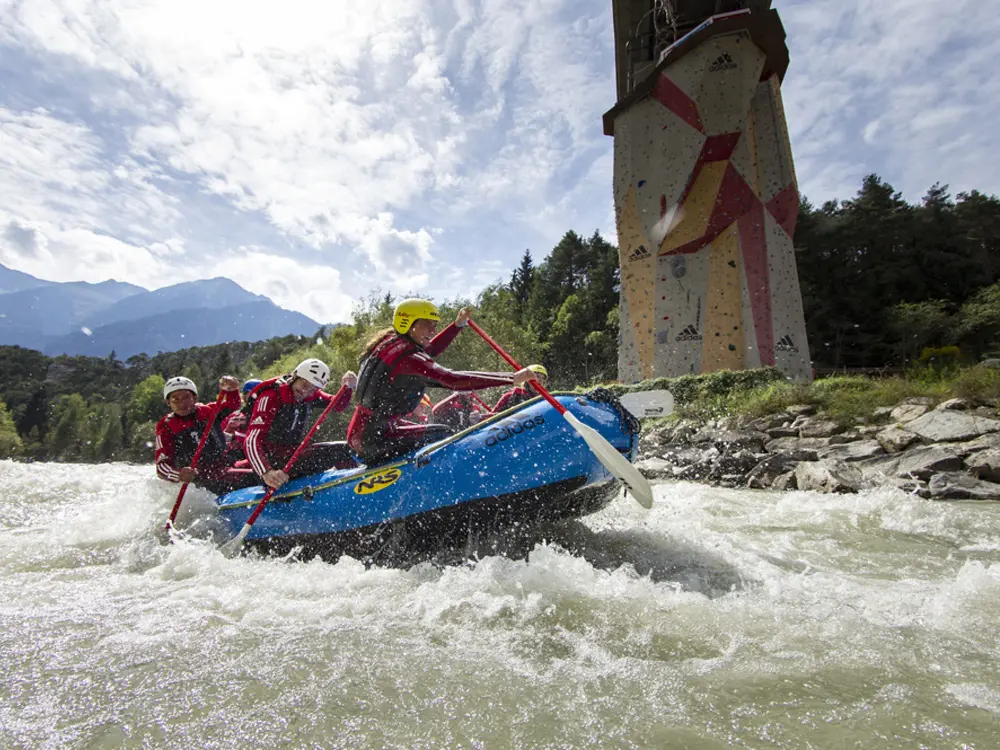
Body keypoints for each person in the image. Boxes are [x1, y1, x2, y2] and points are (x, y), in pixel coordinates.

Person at [346, 298, 540, 465]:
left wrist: (457, 326)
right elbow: (452, 380)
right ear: (409, 323)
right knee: (443, 434)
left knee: (439, 432)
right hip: (372, 440)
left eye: (435, 325)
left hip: (368, 433)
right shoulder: (408, 359)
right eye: (428, 324)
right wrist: (512, 378)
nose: (433, 329)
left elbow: (430, 350)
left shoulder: (394, 343)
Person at [244, 359, 358, 489]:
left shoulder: (311, 395)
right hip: (273, 462)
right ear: (295, 377)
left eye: (312, 389)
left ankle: (352, 485)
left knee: (345, 450)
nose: (306, 392)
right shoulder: (271, 396)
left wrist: (347, 388)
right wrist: (266, 472)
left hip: (294, 456)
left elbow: (338, 405)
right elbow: (252, 440)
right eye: (304, 385)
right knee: (339, 452)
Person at [155, 375, 258, 496]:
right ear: (168, 402)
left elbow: (232, 405)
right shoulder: (166, 426)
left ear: (195, 397)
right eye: (175, 399)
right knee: (256, 475)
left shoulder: (207, 411)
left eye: (186, 397)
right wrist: (179, 474)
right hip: (202, 478)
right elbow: (161, 467)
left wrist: (232, 389)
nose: (181, 403)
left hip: (225, 464)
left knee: (264, 464)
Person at [221, 378, 262, 446]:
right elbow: (221, 438)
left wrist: (235, 437)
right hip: (237, 454)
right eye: (245, 393)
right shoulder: (234, 416)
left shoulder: (268, 414)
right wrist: (229, 435)